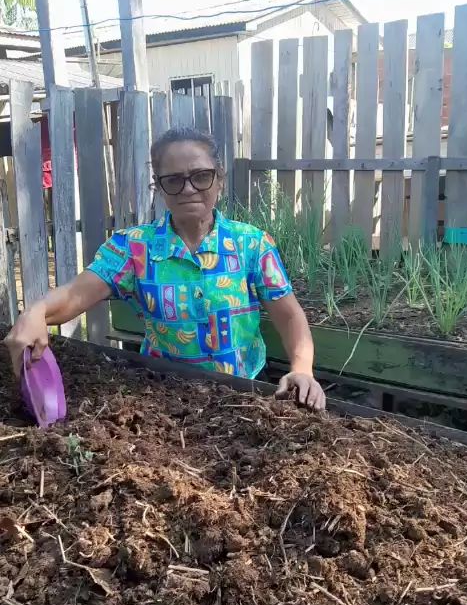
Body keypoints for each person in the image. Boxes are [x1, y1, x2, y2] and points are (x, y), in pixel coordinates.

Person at [5, 126, 325, 410]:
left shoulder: (251, 244)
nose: (188, 189)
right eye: (173, 180)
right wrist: (37, 313)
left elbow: (289, 315)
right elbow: (76, 294)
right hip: (162, 398)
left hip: (243, 397)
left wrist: (302, 369)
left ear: (219, 179)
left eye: (201, 176)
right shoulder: (134, 248)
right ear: (158, 187)